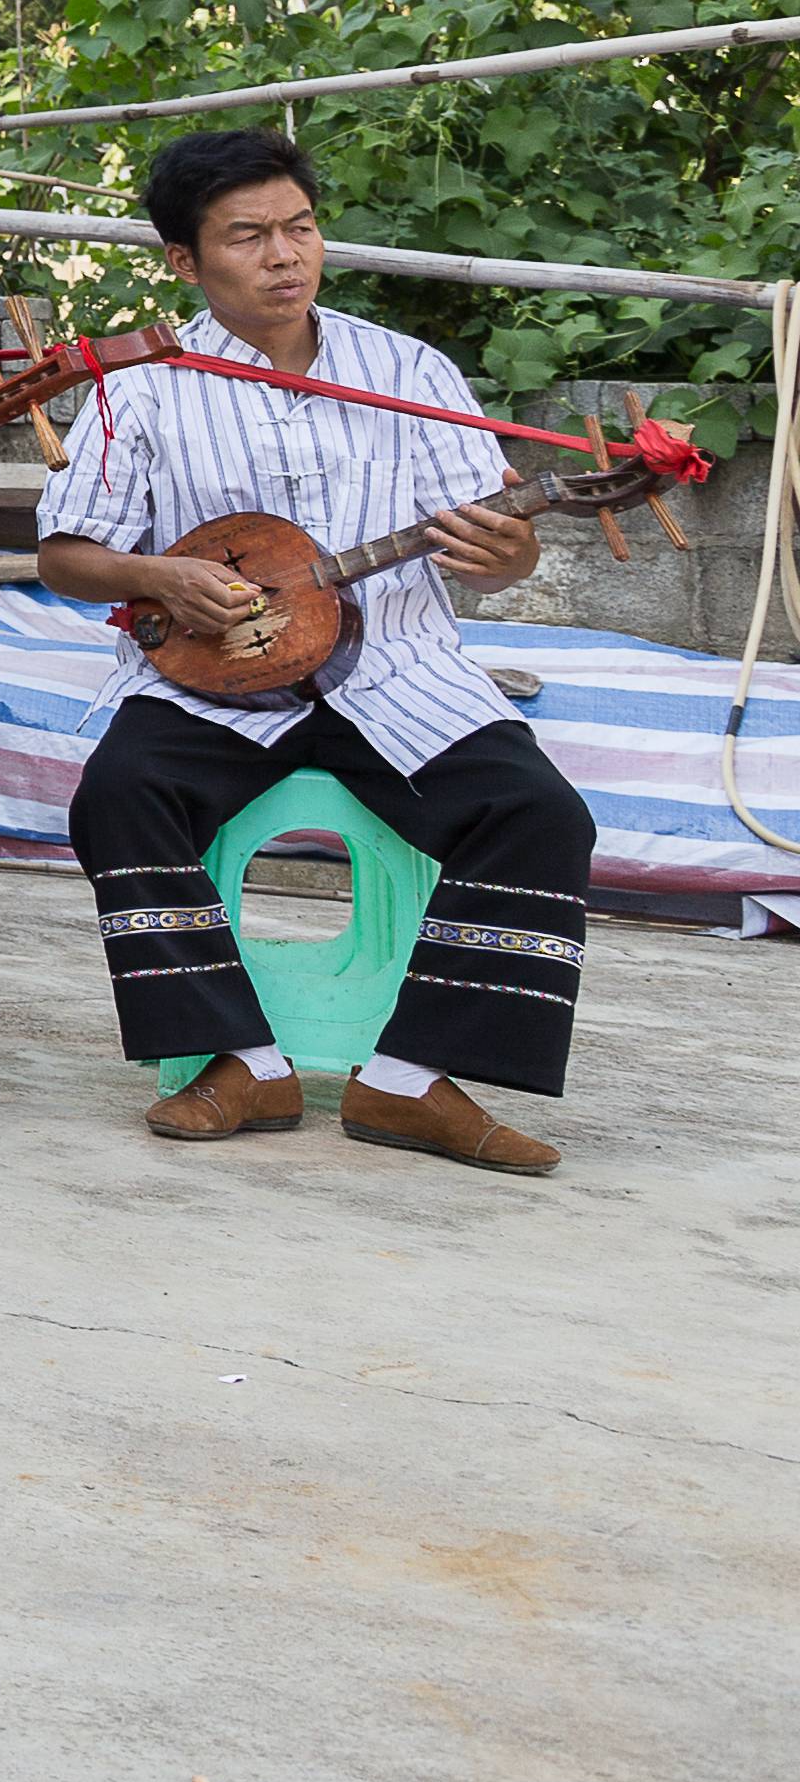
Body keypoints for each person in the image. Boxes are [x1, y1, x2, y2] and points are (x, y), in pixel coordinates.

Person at [35, 129, 591, 1179]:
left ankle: (408, 1079)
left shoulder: (409, 371)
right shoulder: (141, 390)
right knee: (120, 793)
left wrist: (507, 552)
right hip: (219, 680)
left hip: (399, 673)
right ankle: (244, 1059)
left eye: (300, 228)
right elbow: (65, 554)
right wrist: (159, 579)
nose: (285, 255)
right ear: (185, 263)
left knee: (541, 815)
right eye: (248, 237)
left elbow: (491, 563)